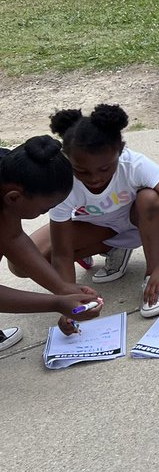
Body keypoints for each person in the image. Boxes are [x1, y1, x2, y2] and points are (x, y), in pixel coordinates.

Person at [12, 105, 159, 319]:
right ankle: (115, 249)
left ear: (120, 152)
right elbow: (62, 254)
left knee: (150, 198)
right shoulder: (63, 181)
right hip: (101, 227)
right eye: (82, 171)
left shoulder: (134, 164)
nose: (94, 178)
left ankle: (153, 277)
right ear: (68, 158)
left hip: (142, 223)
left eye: (105, 169)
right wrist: (69, 301)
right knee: (21, 264)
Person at [0, 137, 104, 349]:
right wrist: (56, 303)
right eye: (44, 209)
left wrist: (62, 287)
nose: (46, 213)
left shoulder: (8, 173)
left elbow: (12, 237)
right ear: (14, 198)